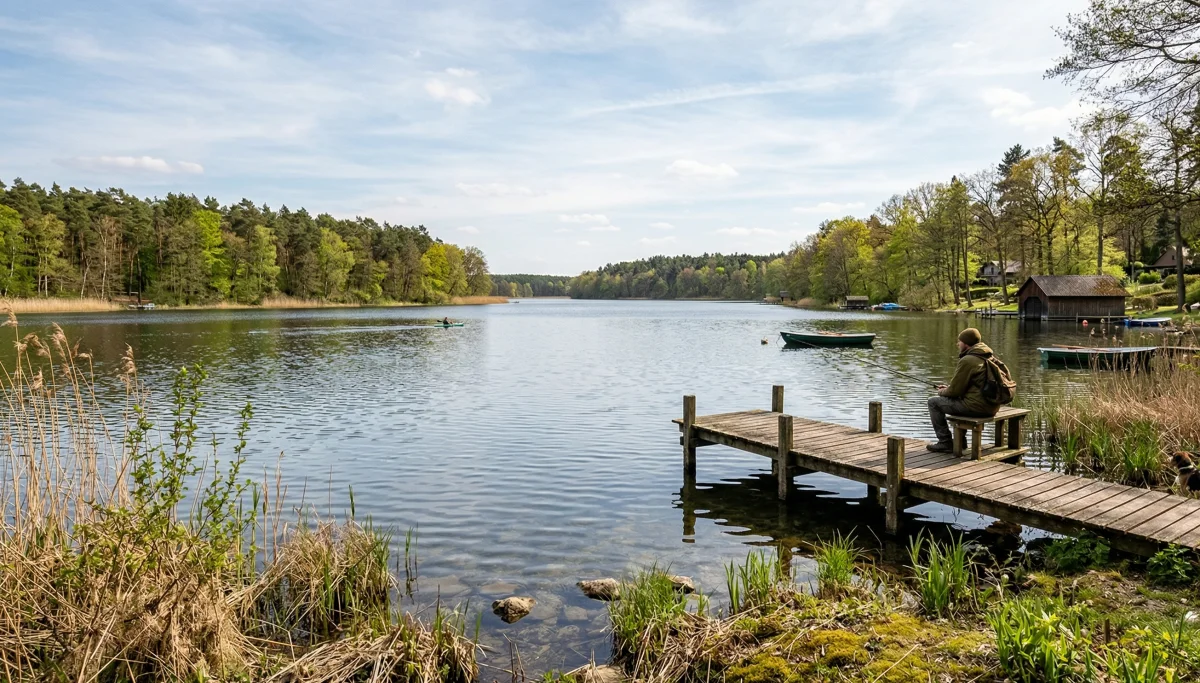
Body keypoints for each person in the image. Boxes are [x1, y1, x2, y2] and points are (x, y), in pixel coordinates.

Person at [927, 328, 1001, 452]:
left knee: (933, 402)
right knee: (959, 400)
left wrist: (941, 392)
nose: (958, 344)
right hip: (992, 407)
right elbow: (966, 387)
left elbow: (955, 391)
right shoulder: (988, 356)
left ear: (966, 343)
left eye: (960, 341)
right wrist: (949, 389)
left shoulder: (968, 360)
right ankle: (960, 443)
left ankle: (945, 442)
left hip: (977, 408)